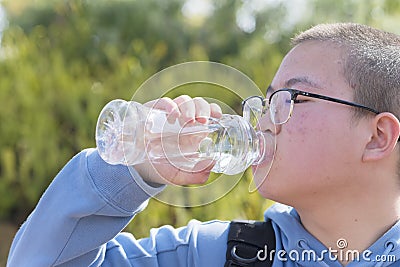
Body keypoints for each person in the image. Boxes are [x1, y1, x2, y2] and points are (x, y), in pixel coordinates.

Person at [7, 22, 400, 266]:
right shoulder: (218, 254)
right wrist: (139, 169)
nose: (264, 118)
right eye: (266, 99)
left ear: (378, 137)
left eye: (293, 98)